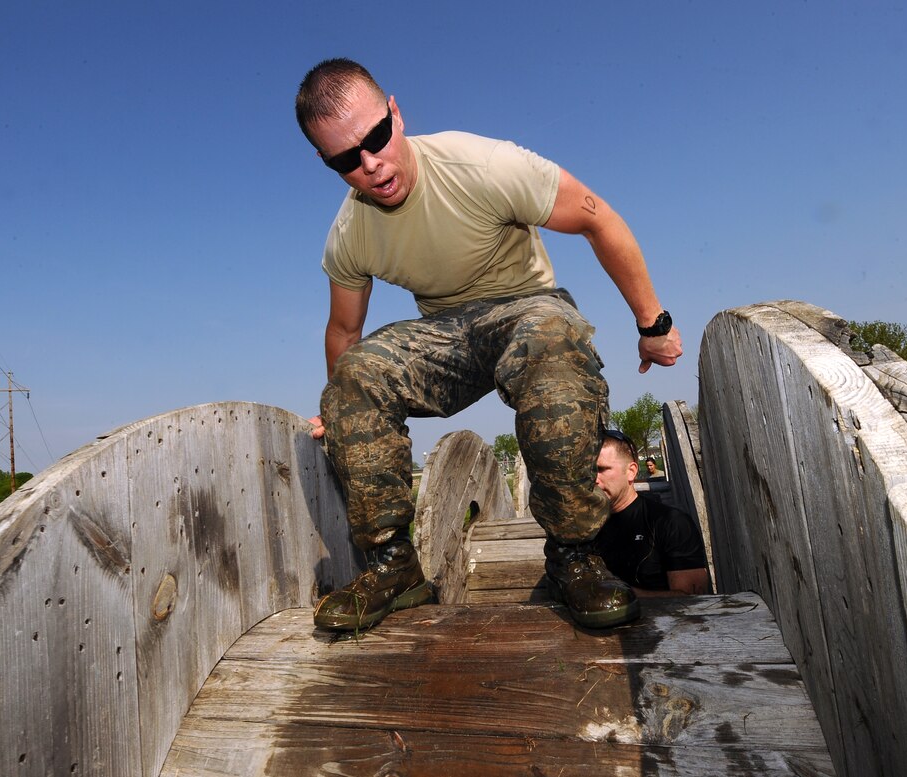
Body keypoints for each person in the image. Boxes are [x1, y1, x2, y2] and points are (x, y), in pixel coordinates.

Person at [295, 58, 683, 632]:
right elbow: (343, 332)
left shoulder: (482, 164)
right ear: (326, 163)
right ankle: (393, 564)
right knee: (357, 371)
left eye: (376, 138)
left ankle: (574, 554)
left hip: (525, 307)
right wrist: (342, 408)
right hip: (447, 333)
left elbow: (600, 218)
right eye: (347, 160)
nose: (371, 165)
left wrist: (652, 324)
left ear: (396, 114)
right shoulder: (350, 233)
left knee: (550, 336)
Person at [594, 431, 710, 596]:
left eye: (601, 469)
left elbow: (691, 600)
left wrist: (616, 595)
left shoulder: (670, 523)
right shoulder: (581, 527)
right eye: (589, 471)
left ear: (631, 471)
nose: (594, 478)